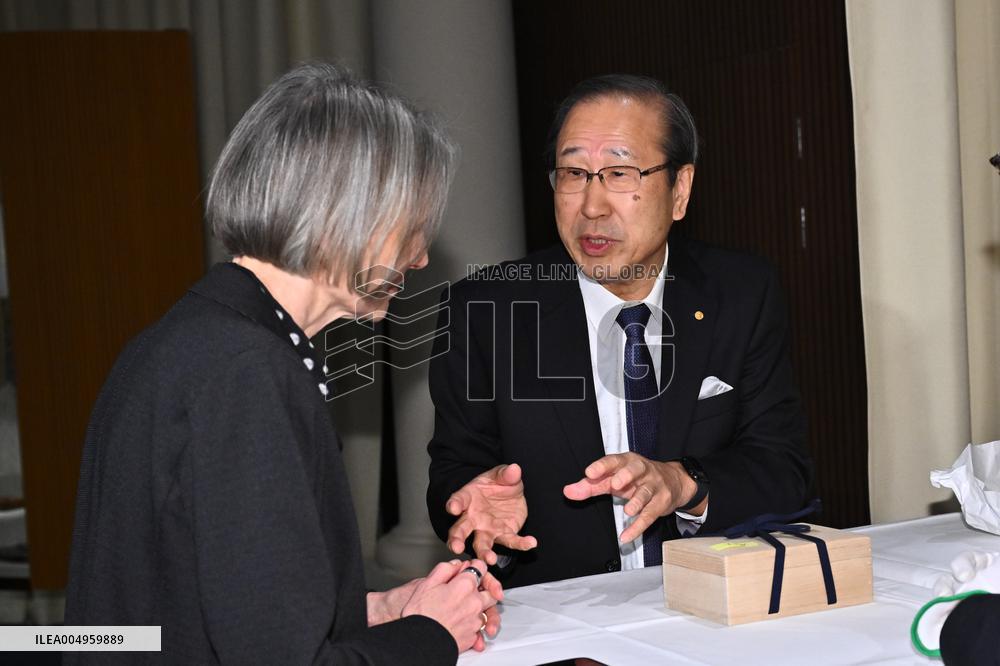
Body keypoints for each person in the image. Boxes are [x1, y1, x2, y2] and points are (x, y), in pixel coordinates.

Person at [65, 63, 501, 664]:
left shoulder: (190, 342)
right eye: (412, 227)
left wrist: (383, 613)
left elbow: (203, 611)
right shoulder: (247, 373)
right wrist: (431, 636)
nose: (422, 257)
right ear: (347, 215)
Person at [427, 74, 813, 588]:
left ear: (680, 190)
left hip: (711, 608)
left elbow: (784, 471)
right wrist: (479, 510)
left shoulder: (740, 294)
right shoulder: (487, 312)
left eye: (620, 173)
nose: (592, 206)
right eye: (573, 173)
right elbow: (455, 475)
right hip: (562, 621)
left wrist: (686, 483)